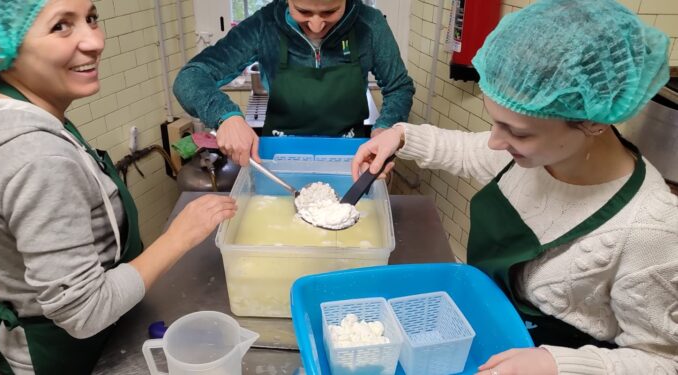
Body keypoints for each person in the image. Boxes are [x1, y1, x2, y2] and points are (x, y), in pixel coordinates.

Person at [351, 0, 677, 374]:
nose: (494, 141)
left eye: (517, 132)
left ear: (592, 122)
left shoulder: (652, 230)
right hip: (483, 339)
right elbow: (467, 151)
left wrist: (557, 364)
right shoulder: (529, 157)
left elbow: (663, 360)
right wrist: (399, 136)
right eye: (495, 122)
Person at [0, 1, 237, 374]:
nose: (94, 41)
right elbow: (83, 312)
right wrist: (179, 236)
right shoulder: (36, 158)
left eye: (91, 18)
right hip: (64, 357)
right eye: (61, 26)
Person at [174, 0, 415, 166]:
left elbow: (398, 87)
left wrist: (385, 128)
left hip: (350, 154)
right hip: (278, 155)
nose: (317, 25)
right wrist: (225, 116)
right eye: (304, 12)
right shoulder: (264, 26)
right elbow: (190, 77)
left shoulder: (370, 25)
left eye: (330, 12)